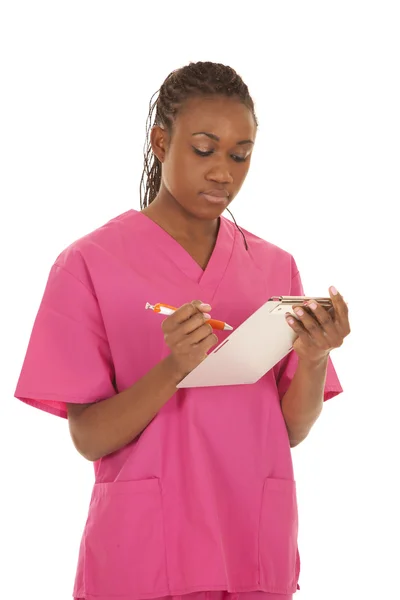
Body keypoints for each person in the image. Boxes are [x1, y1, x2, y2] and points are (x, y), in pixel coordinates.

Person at [14, 61, 350, 600]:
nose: (224, 172)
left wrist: (312, 357)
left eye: (240, 156)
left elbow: (286, 430)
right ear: (160, 140)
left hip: (251, 542)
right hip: (147, 552)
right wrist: (174, 367)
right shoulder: (88, 264)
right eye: (204, 149)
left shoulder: (274, 267)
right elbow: (89, 438)